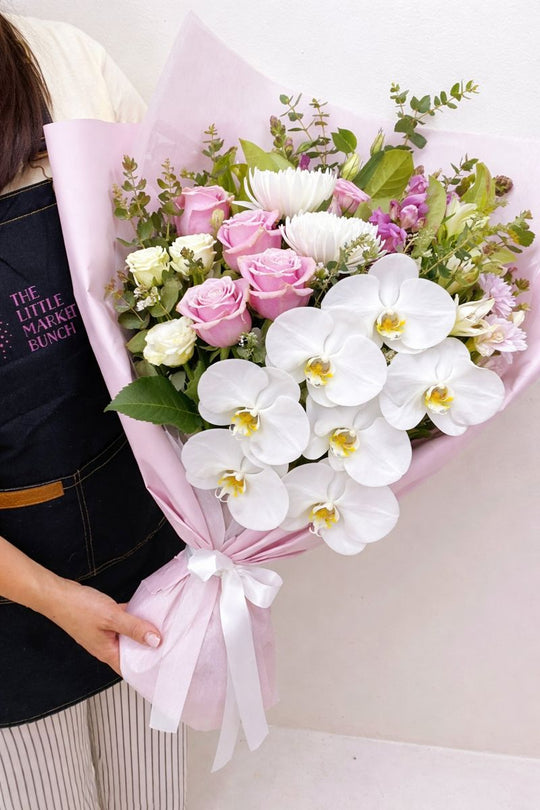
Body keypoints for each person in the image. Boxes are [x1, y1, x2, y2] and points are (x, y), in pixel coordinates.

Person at [0, 13, 184, 810]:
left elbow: (168, 246)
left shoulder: (58, 57)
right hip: (10, 599)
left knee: (151, 793)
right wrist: (50, 598)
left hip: (131, 527)